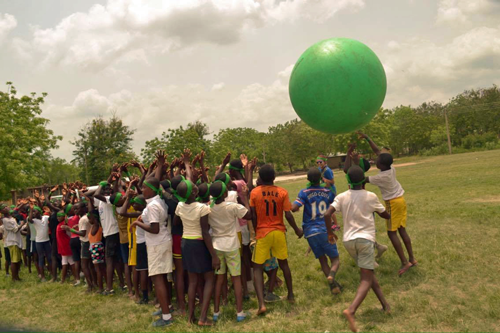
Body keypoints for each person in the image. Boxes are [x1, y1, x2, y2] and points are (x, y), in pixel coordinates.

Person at [324, 166, 391, 333]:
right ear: (363, 181)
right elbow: (385, 215)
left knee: (368, 273)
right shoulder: (370, 196)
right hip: (366, 240)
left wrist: (330, 233)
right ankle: (351, 310)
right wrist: (388, 211)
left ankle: (385, 305)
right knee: (366, 279)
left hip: (349, 242)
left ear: (348, 181)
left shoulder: (342, 196)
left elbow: (327, 214)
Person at [357, 132, 417, 275]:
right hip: (401, 201)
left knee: (392, 233)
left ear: (381, 165)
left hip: (392, 204)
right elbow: (378, 151)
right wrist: (367, 138)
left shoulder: (381, 177)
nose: (375, 160)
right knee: (402, 230)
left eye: (377, 161)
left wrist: (356, 162)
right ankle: (412, 259)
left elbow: (361, 179)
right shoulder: (391, 168)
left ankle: (405, 262)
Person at [250, 164, 303, 315]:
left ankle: (261, 304)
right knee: (284, 264)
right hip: (279, 232)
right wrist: (297, 229)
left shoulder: (254, 193)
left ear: (259, 178)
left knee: (258, 268)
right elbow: (288, 214)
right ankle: (291, 295)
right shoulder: (282, 192)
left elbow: (253, 215)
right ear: (274, 177)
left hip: (263, 233)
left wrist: (256, 229)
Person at [175, 167, 219, 325]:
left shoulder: (180, 206)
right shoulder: (202, 208)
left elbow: (175, 223)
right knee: (209, 279)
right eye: (193, 186)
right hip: (199, 244)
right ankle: (202, 318)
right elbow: (206, 233)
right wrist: (214, 256)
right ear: (194, 193)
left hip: (185, 243)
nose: (195, 186)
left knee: (193, 281)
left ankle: (190, 317)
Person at [131, 167, 174, 327]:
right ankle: (166, 306)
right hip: (160, 242)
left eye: (144, 187)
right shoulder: (156, 202)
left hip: (158, 244)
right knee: (161, 277)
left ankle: (167, 317)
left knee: (158, 279)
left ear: (151, 189)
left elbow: (154, 228)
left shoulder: (153, 206)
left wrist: (138, 223)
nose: (142, 189)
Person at [291, 168, 341, 294]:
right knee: (335, 259)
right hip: (325, 230)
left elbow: (294, 207)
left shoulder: (304, 192)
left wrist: (292, 206)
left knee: (322, 260)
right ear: (321, 179)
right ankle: (332, 275)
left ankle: (334, 286)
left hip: (310, 232)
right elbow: (334, 207)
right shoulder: (328, 192)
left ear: (308, 179)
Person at [208, 180, 251, 323]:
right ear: (225, 193)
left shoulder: (209, 208)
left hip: (217, 245)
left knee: (219, 280)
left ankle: (216, 312)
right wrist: (245, 198)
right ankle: (239, 312)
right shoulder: (232, 207)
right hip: (231, 245)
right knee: (236, 278)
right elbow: (248, 215)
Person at [28, 203, 52, 281]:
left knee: (49, 257)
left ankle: (51, 272)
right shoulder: (34, 221)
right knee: (41, 258)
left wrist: (49, 211)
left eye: (35, 211)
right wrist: (31, 209)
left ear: (39, 212)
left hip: (47, 241)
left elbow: (52, 217)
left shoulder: (45, 217)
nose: (34, 213)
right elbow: (29, 219)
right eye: (33, 212)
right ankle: (42, 276)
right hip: (39, 242)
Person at [1, 207, 25, 281]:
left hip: (17, 240)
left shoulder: (11, 217)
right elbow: (15, 229)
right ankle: (14, 278)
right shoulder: (5, 220)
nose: (6, 208)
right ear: (2, 211)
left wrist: (22, 226)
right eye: (4, 208)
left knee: (17, 260)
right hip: (12, 241)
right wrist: (22, 224)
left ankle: (17, 276)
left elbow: (17, 228)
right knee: (14, 261)